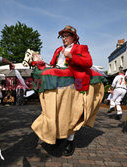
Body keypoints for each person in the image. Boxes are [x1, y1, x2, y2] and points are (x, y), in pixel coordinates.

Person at [31, 25, 104, 156]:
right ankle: (59, 136)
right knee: (58, 110)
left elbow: (88, 62)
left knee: (72, 111)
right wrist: (40, 62)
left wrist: (71, 56)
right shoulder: (58, 49)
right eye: (62, 36)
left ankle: (70, 141)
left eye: (67, 36)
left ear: (74, 37)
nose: (64, 39)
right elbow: (53, 66)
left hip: (74, 82)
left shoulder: (81, 48)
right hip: (58, 81)